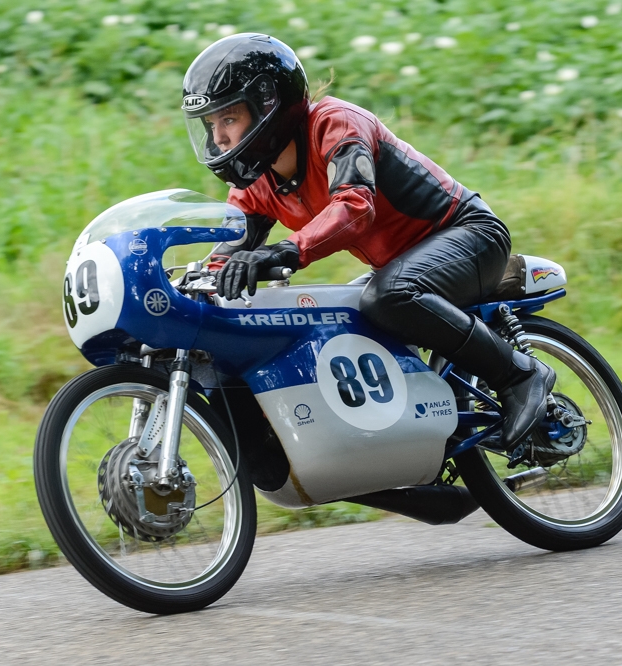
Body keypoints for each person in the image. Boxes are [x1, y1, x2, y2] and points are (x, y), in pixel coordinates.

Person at [181, 33, 555, 453]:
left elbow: (355, 208)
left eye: (229, 119)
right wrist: (188, 292)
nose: (219, 138)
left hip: (471, 235)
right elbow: (227, 253)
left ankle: (521, 375)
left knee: (388, 297)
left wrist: (285, 250)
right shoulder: (256, 184)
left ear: (268, 104)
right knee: (336, 320)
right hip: (400, 264)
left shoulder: (334, 123)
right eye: (211, 125)